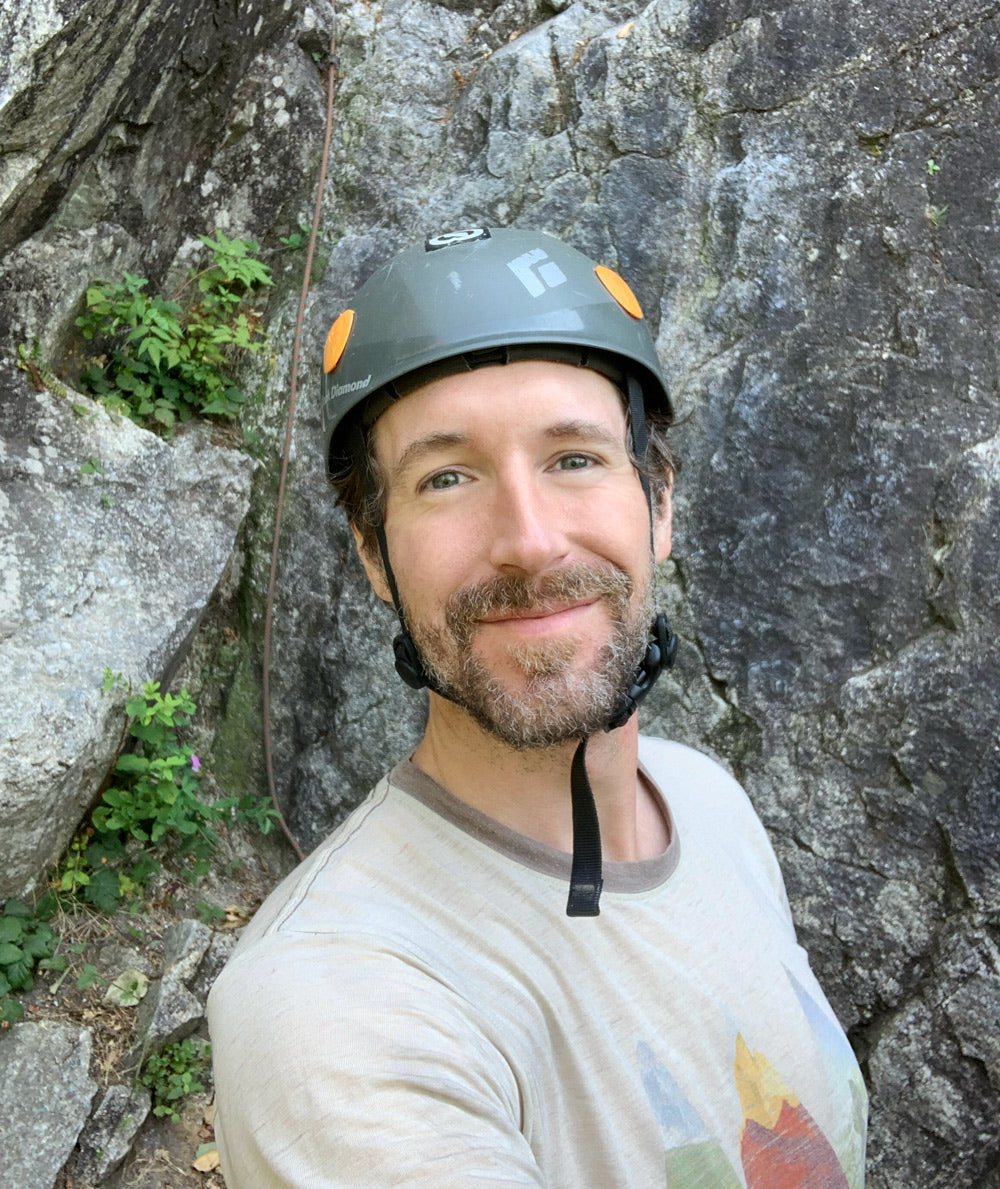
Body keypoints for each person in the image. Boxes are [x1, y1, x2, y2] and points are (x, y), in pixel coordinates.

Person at [208, 226, 867, 1187]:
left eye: (574, 459)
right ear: (372, 552)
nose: (529, 540)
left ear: (659, 500)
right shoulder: (334, 1004)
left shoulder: (707, 802)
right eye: (446, 477)